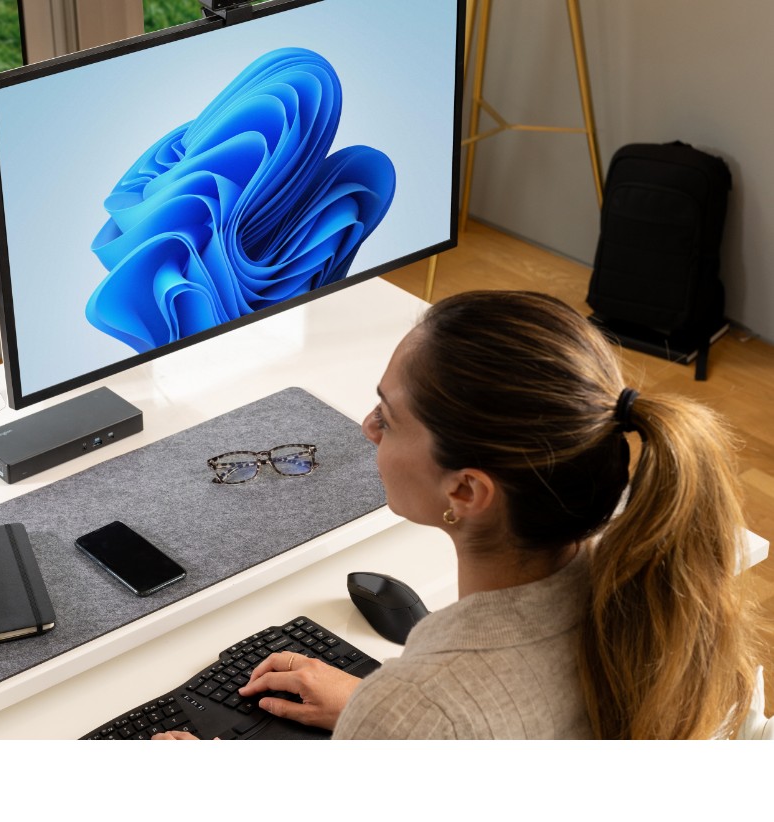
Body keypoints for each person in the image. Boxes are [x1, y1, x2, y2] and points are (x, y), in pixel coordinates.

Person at [156, 289, 759, 739]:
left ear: (467, 492)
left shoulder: (419, 712)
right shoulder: (648, 598)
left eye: (387, 418)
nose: (367, 429)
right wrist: (376, 707)